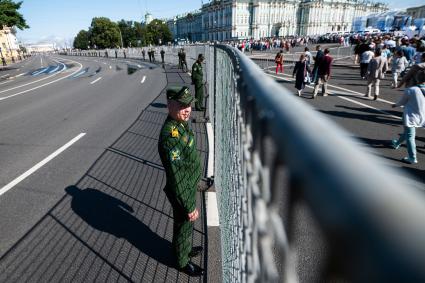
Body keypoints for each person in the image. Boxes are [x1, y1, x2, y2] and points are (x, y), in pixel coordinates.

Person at [158, 86, 204, 276]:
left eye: (189, 106)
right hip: (182, 191)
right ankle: (181, 261)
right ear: (170, 105)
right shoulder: (171, 136)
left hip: (188, 186)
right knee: (184, 222)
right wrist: (188, 206)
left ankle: (183, 249)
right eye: (182, 105)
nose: (187, 110)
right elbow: (177, 176)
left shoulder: (179, 122)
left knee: (185, 225)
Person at [390, 70, 425, 164]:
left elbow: (402, 102)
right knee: (408, 132)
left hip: (411, 116)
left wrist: (395, 105)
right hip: (422, 116)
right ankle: (397, 143)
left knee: (410, 136)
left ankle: (412, 157)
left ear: (417, 78)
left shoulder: (411, 89)